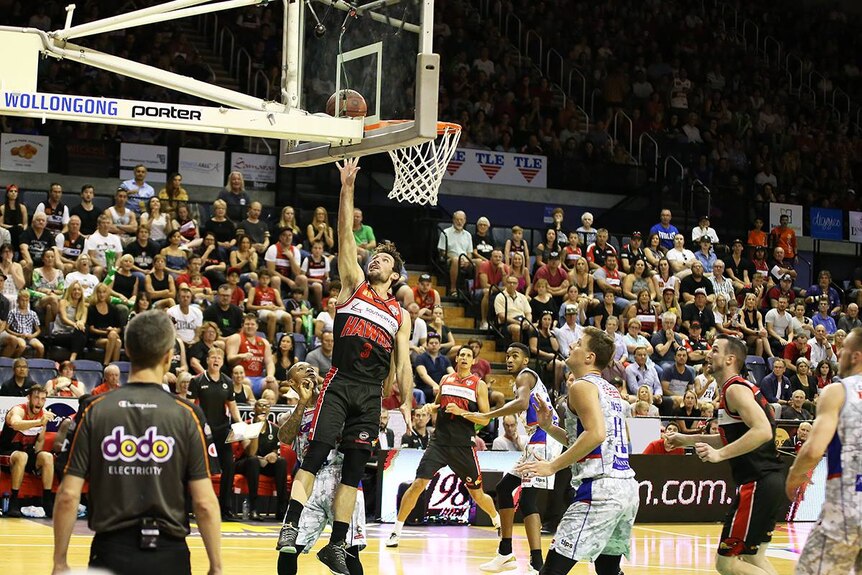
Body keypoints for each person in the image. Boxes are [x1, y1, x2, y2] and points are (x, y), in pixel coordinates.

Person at [279, 158, 414, 575]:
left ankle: (337, 544)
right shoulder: (353, 284)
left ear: (395, 272)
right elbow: (343, 235)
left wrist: (405, 403)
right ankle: (290, 527)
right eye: (373, 256)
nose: (375, 260)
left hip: (371, 393)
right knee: (316, 452)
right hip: (340, 382)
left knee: (355, 472)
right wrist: (346, 188)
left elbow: (402, 361)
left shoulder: (400, 314)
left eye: (384, 259)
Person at [52, 310, 222, 575]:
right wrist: (216, 567)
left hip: (111, 551)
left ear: (128, 351)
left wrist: (59, 563)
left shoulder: (94, 409)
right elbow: (204, 502)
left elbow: (67, 496)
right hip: (170, 554)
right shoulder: (188, 414)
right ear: (168, 356)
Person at [514, 326, 638, 575]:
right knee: (608, 570)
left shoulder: (581, 386)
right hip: (625, 489)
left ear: (589, 357)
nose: (572, 345)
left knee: (552, 571)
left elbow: (595, 434)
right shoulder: (609, 389)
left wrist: (552, 465)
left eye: (579, 343)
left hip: (600, 490)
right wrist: (548, 426)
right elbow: (586, 439)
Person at [667, 335, 786, 575]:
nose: (709, 353)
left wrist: (720, 455)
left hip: (757, 483)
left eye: (715, 349)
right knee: (753, 559)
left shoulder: (734, 389)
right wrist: (686, 439)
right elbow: (730, 437)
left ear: (730, 359)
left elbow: (762, 431)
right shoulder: (735, 390)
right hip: (769, 482)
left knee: (726, 563)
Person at [456, 343, 563, 574]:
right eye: (507, 355)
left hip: (545, 439)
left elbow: (523, 403)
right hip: (536, 439)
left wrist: (488, 414)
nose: (509, 359)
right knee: (505, 488)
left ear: (525, 361)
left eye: (515, 355)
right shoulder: (520, 382)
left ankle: (537, 564)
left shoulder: (525, 376)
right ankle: (505, 553)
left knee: (527, 501)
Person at [387, 345, 501, 547]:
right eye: (462, 355)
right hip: (439, 443)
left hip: (462, 446)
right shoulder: (445, 380)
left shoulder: (478, 385)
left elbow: (485, 419)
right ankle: (396, 530)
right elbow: (438, 404)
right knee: (417, 485)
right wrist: (431, 406)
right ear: (456, 359)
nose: (464, 358)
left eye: (468, 356)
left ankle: (496, 519)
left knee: (477, 494)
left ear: (473, 361)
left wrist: (461, 412)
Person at [275, 362, 367, 575]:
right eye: (300, 368)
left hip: (343, 479)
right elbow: (285, 437)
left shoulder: (337, 404)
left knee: (349, 550)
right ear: (291, 382)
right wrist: (302, 404)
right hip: (310, 482)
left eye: (311, 367)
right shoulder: (289, 415)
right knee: (289, 548)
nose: (308, 369)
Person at [785, 327, 862, 575]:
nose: (837, 355)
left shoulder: (839, 390)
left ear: (856, 356)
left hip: (848, 507)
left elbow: (814, 449)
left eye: (843, 351)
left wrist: (795, 478)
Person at [190, 347, 242, 520]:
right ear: (207, 360)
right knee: (200, 469)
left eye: (219, 357)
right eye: (213, 357)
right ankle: (195, 506)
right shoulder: (197, 381)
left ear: (222, 361)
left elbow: (233, 408)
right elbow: (190, 406)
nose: (216, 359)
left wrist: (241, 426)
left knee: (229, 466)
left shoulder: (227, 381)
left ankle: (225, 509)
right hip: (204, 433)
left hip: (222, 432)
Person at [0, 384, 55, 517]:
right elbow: (15, 423)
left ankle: (47, 501)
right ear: (28, 398)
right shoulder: (19, 410)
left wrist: (37, 459)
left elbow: (41, 439)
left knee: (47, 457)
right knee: (21, 456)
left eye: (43, 399)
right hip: (7, 453)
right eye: (36, 398)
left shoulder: (43, 414)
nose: (39, 402)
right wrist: (38, 422)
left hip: (27, 453)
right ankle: (14, 501)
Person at [235, 398, 288, 520]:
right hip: (244, 464)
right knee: (253, 461)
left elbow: (275, 451)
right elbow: (250, 453)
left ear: (269, 409)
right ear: (254, 408)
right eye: (260, 405)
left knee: (281, 462)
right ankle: (254, 508)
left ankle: (282, 509)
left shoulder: (275, 429)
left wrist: (273, 456)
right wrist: (256, 428)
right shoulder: (243, 426)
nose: (263, 408)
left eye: (266, 406)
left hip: (264, 463)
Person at [225, 313, 278, 397]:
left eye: (252, 324)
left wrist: (270, 375)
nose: (250, 326)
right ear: (243, 326)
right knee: (246, 382)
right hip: (241, 377)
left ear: (257, 326)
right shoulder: (236, 338)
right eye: (247, 324)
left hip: (258, 379)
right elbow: (230, 359)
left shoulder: (263, 342)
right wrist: (241, 356)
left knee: (272, 383)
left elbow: (269, 363)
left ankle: (273, 409)